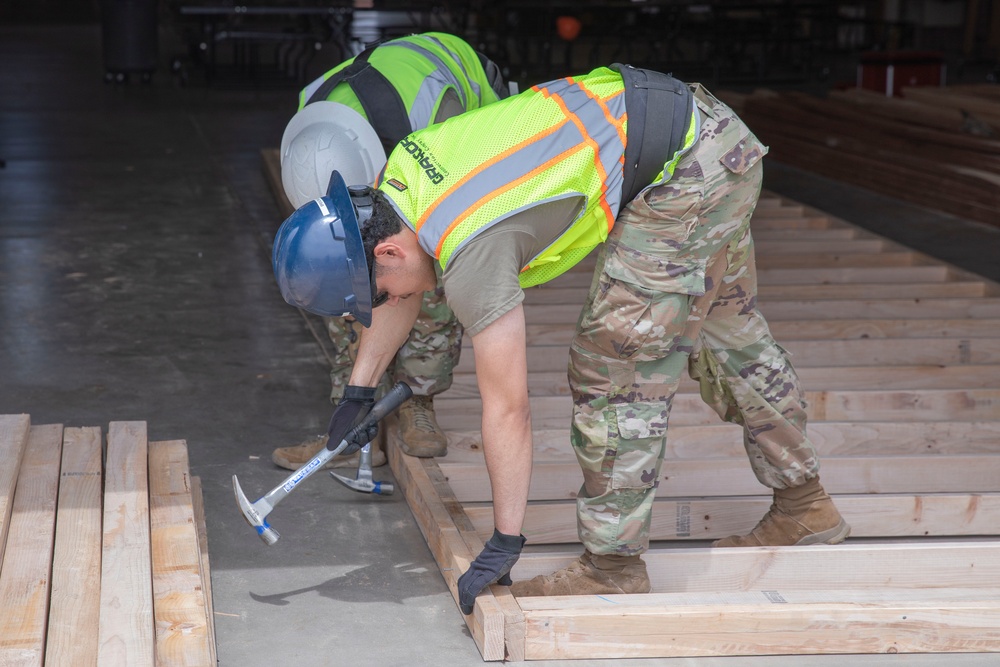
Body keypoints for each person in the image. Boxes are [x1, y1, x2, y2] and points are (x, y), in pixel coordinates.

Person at [270, 64, 850, 614]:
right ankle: (806, 505)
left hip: (684, 172)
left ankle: (612, 566)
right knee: (729, 334)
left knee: (614, 366)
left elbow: (508, 407)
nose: (387, 306)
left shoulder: (471, 250)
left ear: (386, 251)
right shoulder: (399, 178)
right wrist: (358, 391)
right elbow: (403, 289)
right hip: (704, 132)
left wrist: (504, 537)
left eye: (375, 296)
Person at [271, 32, 509, 470]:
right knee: (344, 276)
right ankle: (357, 422)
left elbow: (420, 260)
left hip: (466, 131)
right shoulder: (312, 128)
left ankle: (419, 400)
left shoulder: (435, 124)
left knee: (423, 269)